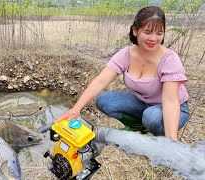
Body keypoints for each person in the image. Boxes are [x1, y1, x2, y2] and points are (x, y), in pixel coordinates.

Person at [55, 6, 189, 141]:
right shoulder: (126, 54)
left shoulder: (169, 59)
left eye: (159, 33)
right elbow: (101, 80)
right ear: (135, 31)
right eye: (148, 32)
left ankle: (157, 136)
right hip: (143, 103)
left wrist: (172, 142)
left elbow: (170, 101)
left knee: (151, 117)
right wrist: (76, 108)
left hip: (171, 109)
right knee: (104, 101)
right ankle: (140, 127)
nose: (153, 38)